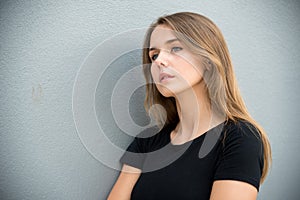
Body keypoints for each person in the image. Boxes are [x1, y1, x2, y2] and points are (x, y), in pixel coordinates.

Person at [107, 12, 271, 200]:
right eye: (154, 55)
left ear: (208, 59)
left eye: (175, 48)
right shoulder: (146, 141)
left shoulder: (240, 138)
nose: (159, 61)